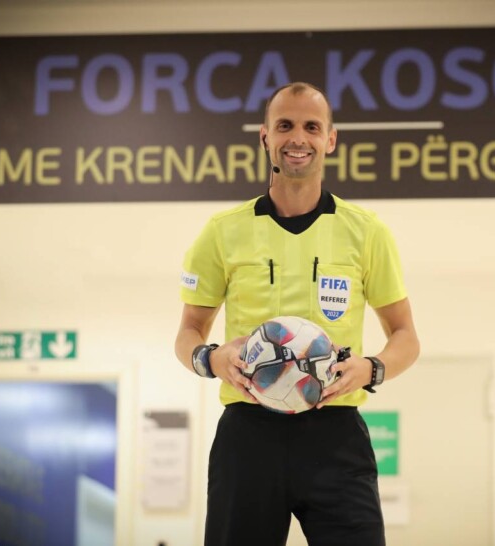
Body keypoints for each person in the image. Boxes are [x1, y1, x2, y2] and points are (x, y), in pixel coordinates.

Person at [175, 82, 420, 546]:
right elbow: (188, 331)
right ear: (265, 136)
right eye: (285, 125)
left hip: (336, 435)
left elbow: (406, 335)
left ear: (330, 139)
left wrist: (372, 368)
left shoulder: (366, 232)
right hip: (248, 435)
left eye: (312, 126)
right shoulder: (222, 232)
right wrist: (211, 359)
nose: (298, 138)